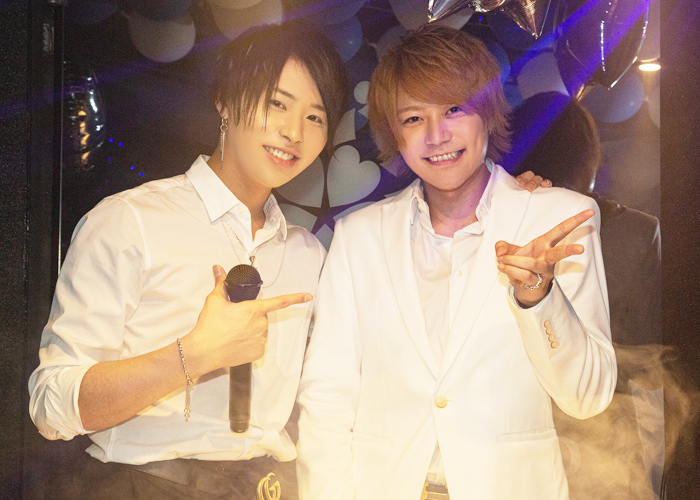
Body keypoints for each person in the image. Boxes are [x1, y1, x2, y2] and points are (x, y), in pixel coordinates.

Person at [28, 21, 350, 500]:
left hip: (267, 487)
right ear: (224, 101)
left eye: (316, 117)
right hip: (143, 486)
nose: (292, 132)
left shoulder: (308, 253)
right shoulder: (131, 221)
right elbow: (50, 406)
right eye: (276, 103)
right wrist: (191, 356)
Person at [295, 25, 617, 500]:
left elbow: (588, 397)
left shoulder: (560, 220)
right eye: (412, 119)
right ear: (395, 135)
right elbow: (327, 396)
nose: (436, 135)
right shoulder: (359, 237)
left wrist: (539, 298)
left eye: (453, 109)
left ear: (487, 112)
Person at [505, 92, 663, 500]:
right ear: (588, 157)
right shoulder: (636, 231)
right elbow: (646, 358)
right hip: (607, 439)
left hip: (514, 434)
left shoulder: (497, 228)